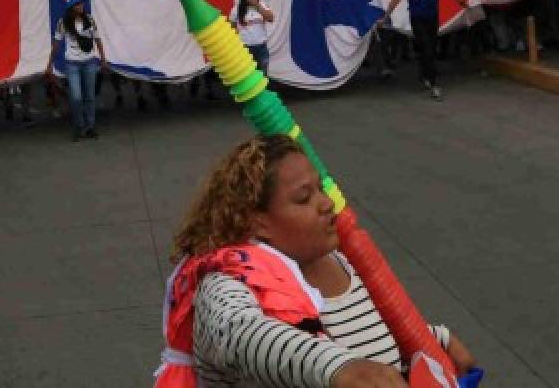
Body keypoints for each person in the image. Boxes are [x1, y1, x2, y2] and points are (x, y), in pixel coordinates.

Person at [158, 134, 475, 388]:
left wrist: (437, 338)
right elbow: (239, 335)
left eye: (320, 189)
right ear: (257, 222)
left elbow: (371, 331)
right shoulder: (226, 282)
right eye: (303, 198)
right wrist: (340, 369)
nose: (325, 204)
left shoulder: (340, 260)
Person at [380, 0, 469, 100]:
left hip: (432, 19)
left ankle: (424, 74)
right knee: (427, 47)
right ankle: (434, 84)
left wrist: (461, 1)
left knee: (430, 49)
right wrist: (385, 17)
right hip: (417, 20)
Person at [45, 0, 108, 141]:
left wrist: (103, 58)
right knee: (76, 97)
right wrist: (49, 64)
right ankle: (78, 126)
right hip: (72, 63)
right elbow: (56, 45)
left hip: (89, 62)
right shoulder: (63, 23)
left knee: (90, 97)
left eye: (81, 2)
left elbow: (98, 39)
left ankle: (90, 127)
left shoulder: (90, 20)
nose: (81, 5)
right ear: (71, 7)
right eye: (77, 3)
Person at [230, 0, 275, 76]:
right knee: (247, 75)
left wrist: (257, 6)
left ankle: (262, 90)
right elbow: (233, 26)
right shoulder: (236, 9)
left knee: (263, 74)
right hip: (245, 48)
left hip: (261, 47)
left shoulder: (262, 5)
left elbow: (270, 18)